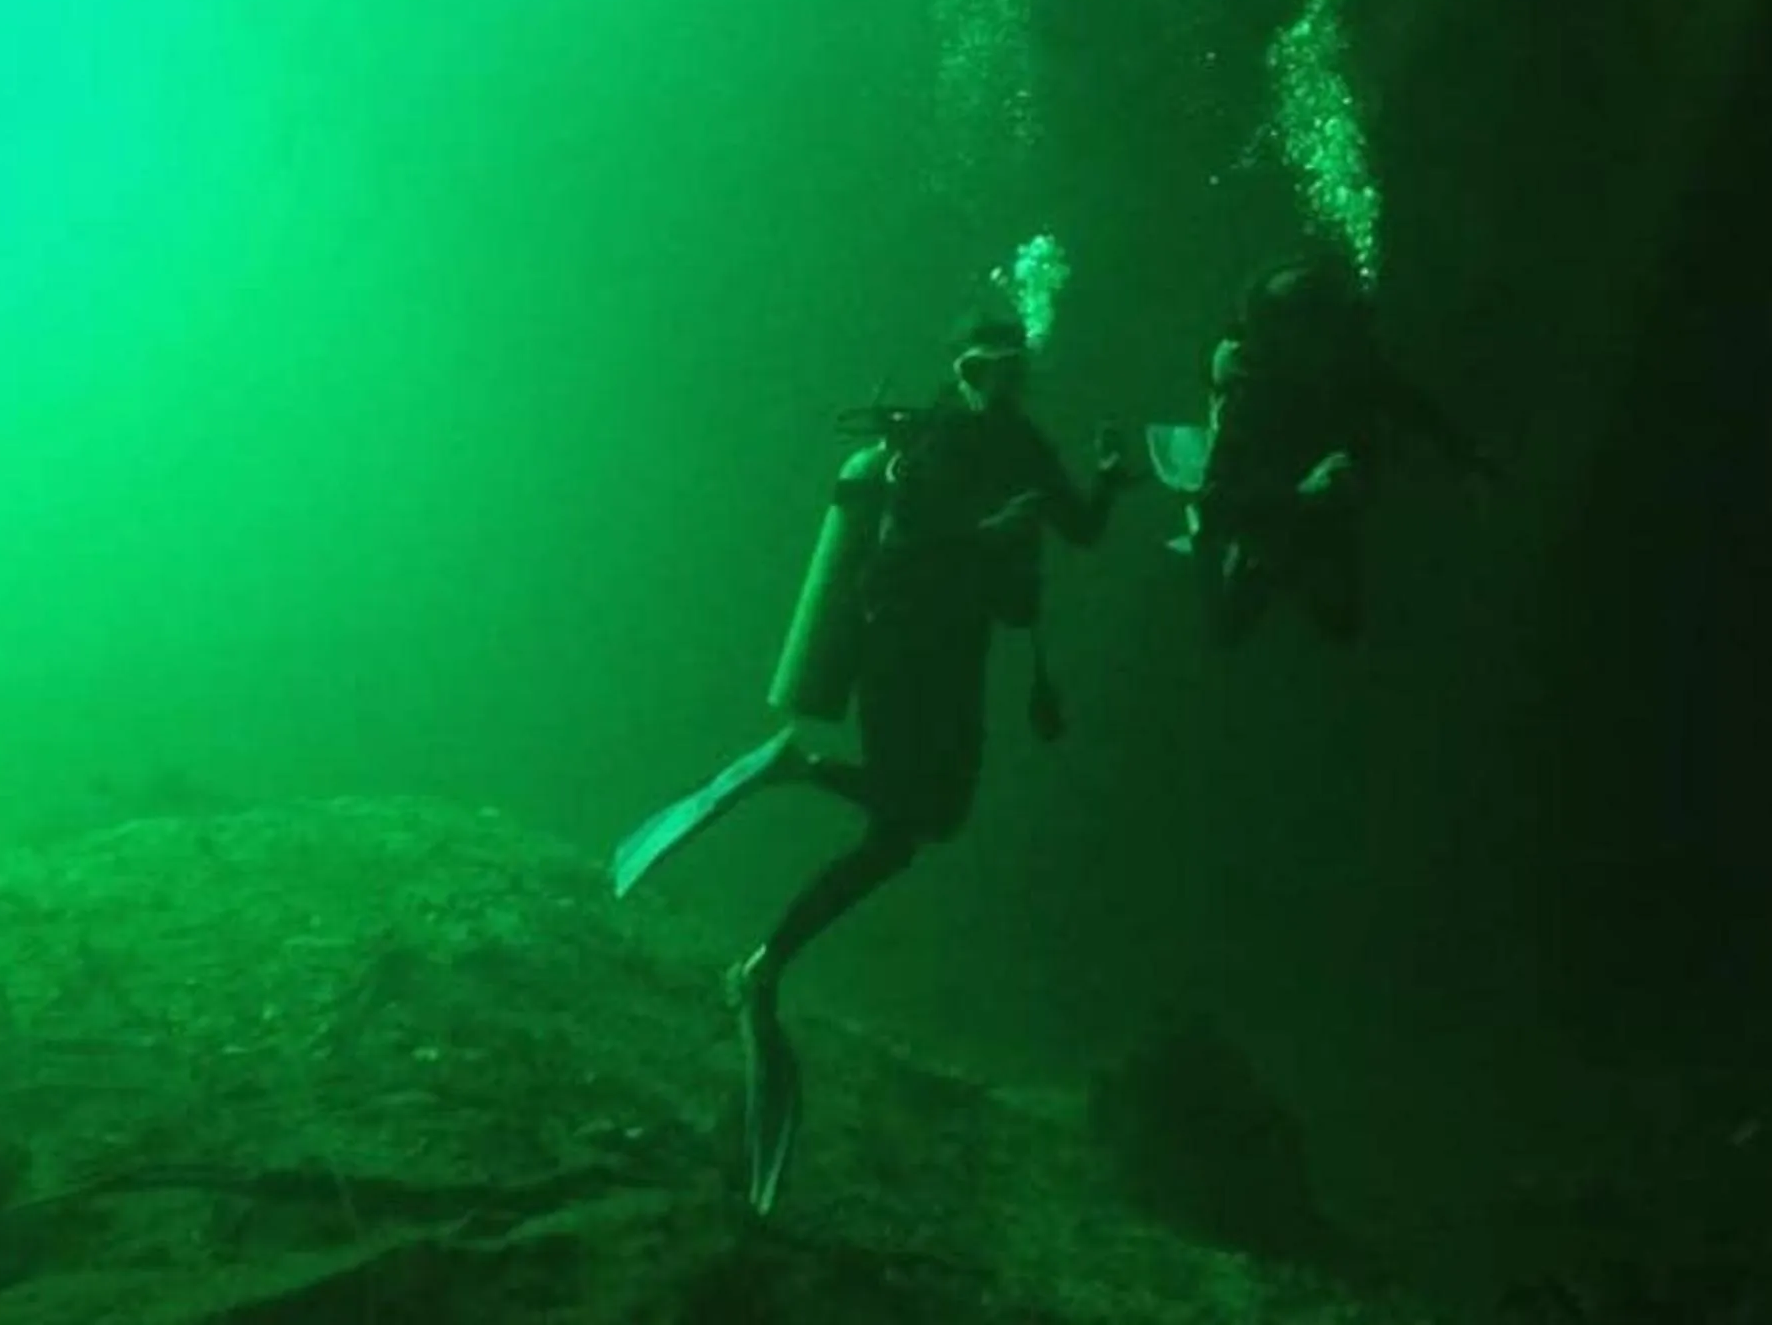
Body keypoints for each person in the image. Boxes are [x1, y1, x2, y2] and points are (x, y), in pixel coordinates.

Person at [610, 314, 1133, 1216]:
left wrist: (1113, 482)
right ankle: (768, 938)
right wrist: (987, 531)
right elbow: (901, 551)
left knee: (927, 822)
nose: (1000, 382)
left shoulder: (1023, 443)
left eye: (1013, 368)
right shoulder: (932, 439)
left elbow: (1079, 528)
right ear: (963, 367)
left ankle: (785, 840)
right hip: (896, 642)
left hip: (957, 655)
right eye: (984, 367)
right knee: (903, 819)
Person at [1187, 250, 1485, 646]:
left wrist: (1467, 457)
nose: (1327, 340)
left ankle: (1285, 563)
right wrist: (1300, 495)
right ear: (1282, 336)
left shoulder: (1349, 364)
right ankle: (1223, 553)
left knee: (1343, 623)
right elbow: (1215, 501)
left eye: (1327, 323)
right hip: (1274, 507)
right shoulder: (1254, 398)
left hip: (1325, 503)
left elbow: (1405, 401)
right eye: (1311, 327)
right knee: (1226, 628)